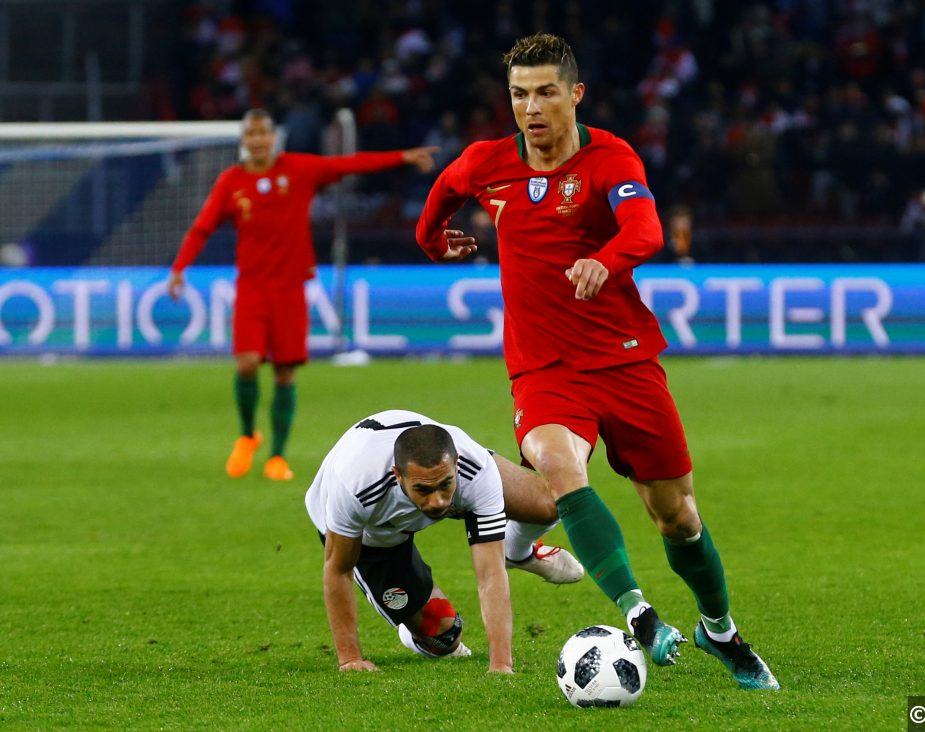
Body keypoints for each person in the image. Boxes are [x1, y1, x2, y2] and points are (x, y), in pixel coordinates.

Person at [415, 33, 778, 690]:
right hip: (545, 367)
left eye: (546, 92)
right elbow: (437, 200)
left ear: (574, 94)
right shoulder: (487, 163)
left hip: (625, 360)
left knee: (677, 515)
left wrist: (604, 261)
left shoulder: (610, 158)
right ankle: (639, 616)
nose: (532, 108)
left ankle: (718, 630)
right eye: (520, 94)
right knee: (557, 465)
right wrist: (436, 240)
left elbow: (646, 230)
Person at [168, 108, 438, 481]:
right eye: (252, 134)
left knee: (284, 373)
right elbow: (202, 228)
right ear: (244, 141)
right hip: (251, 288)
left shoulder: (298, 169)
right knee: (246, 363)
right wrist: (179, 269)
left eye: (264, 133)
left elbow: (349, 164)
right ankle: (248, 435)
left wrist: (401, 157)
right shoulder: (231, 181)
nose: (258, 140)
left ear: (273, 138)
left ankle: (277, 456)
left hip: (290, 288)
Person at [305, 409, 584, 673]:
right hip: (375, 535)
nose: (438, 501)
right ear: (397, 475)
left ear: (456, 464)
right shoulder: (355, 488)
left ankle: (516, 550)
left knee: (548, 503)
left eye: (445, 485)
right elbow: (338, 569)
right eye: (423, 489)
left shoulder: (474, 471)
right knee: (445, 638)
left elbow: (489, 574)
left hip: (440, 472)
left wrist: (501, 664)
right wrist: (350, 659)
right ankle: (411, 625)